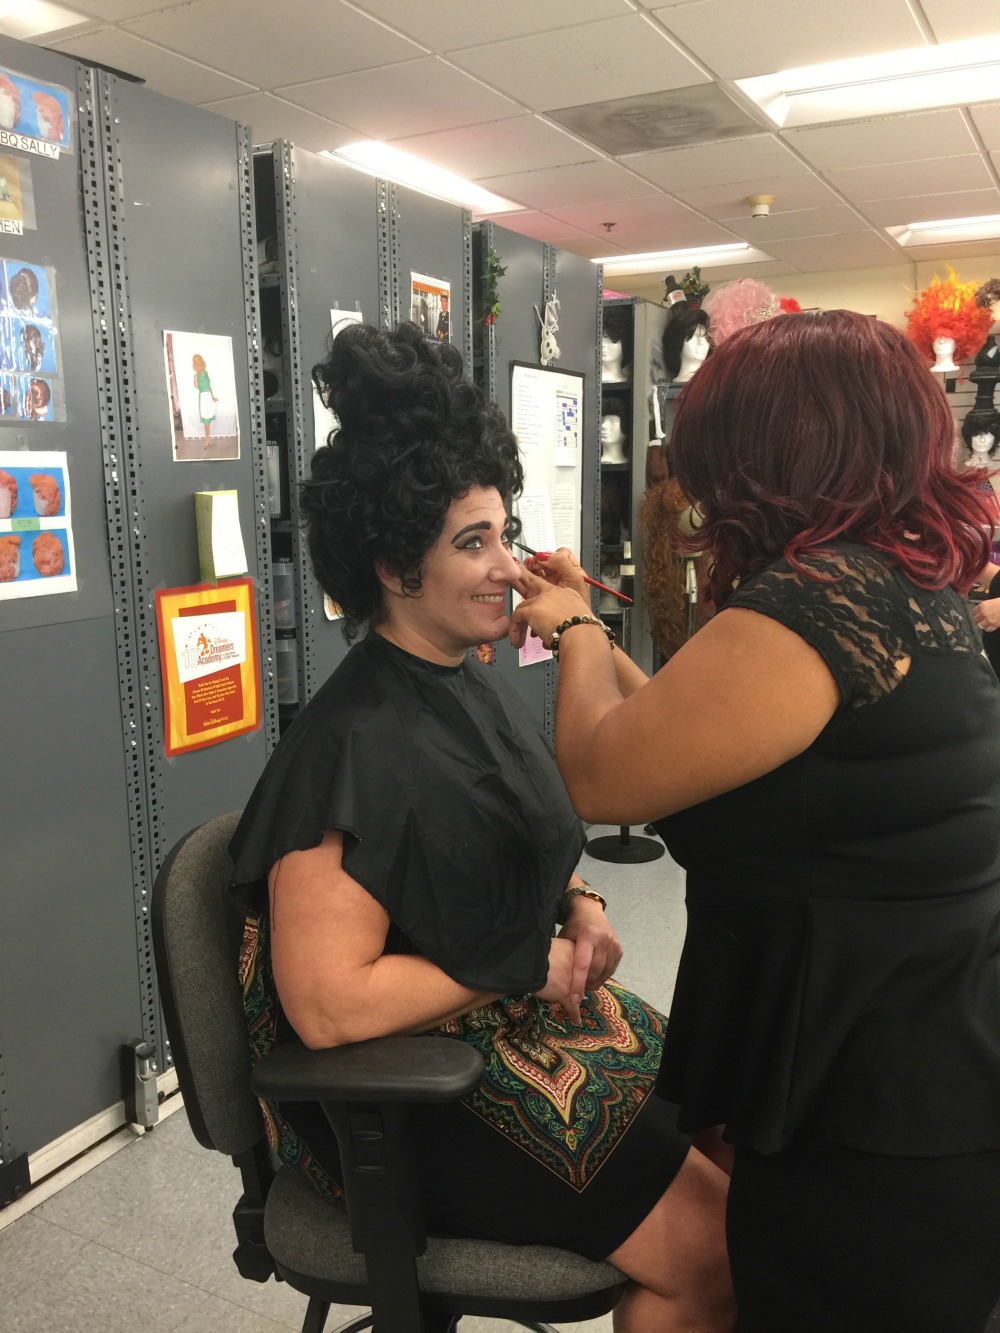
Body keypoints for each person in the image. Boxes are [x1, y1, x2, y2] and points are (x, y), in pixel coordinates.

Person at [228, 322, 734, 1333]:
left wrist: (580, 902)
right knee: (717, 1251)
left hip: (517, 1018)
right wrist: (519, 965)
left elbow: (510, 831)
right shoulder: (349, 750)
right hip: (410, 1093)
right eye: (473, 544)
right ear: (391, 566)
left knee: (729, 1114)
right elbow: (327, 1007)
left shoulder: (468, 676)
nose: (509, 567)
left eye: (506, 533)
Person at [510, 309, 1000, 1333]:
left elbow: (604, 775)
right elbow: (683, 734)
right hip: (913, 1041)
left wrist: (579, 631)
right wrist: (598, 643)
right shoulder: (897, 584)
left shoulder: (816, 601)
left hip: (875, 1095)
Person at [191, 353, 218, 443]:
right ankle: (207, 439)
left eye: (200, 365)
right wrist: (195, 377)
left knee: (208, 421)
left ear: (202, 364)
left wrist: (213, 397)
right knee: (206, 420)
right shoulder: (196, 376)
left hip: (209, 397)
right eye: (197, 365)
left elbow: (209, 386)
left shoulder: (206, 373)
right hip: (203, 398)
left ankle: (208, 439)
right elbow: (196, 387)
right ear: (195, 367)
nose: (199, 367)